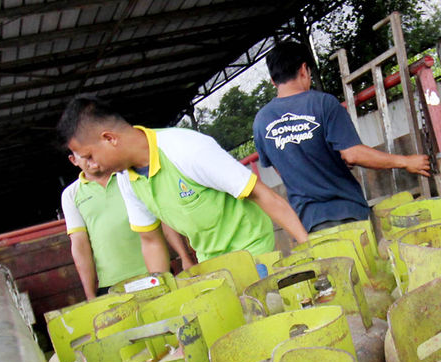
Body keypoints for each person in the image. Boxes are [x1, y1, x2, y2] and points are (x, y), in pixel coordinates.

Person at [57, 96, 309, 264]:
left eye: (89, 156)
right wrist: (160, 292)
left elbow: (262, 194)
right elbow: (150, 240)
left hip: (253, 251)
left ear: (109, 138)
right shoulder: (127, 178)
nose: (90, 166)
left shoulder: (186, 149)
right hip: (210, 261)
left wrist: (308, 248)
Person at [253, 40, 431, 233]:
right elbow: (353, 154)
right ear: (304, 69)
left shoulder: (261, 121)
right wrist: (406, 162)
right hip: (346, 214)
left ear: (273, 80)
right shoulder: (322, 103)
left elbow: (283, 167)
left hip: (306, 225)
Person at [61, 151, 196, 299]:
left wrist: (185, 257)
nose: (92, 161)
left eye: (93, 154)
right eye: (85, 157)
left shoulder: (128, 176)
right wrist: (90, 294)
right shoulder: (71, 194)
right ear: (73, 160)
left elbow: (161, 219)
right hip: (111, 284)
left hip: (155, 271)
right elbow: (80, 245)